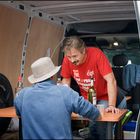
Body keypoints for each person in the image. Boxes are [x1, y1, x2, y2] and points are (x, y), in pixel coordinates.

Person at [14, 57, 100, 139]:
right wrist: (97, 114)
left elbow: (19, 113)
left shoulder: (22, 95)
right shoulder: (65, 92)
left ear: (35, 78)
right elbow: (88, 109)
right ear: (52, 75)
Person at [60, 36, 120, 139]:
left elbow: (111, 80)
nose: (72, 60)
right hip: (86, 97)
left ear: (83, 50)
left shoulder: (96, 54)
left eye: (75, 56)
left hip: (104, 97)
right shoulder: (67, 59)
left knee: (100, 124)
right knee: (88, 126)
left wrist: (111, 105)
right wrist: (64, 102)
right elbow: (65, 80)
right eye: (69, 57)